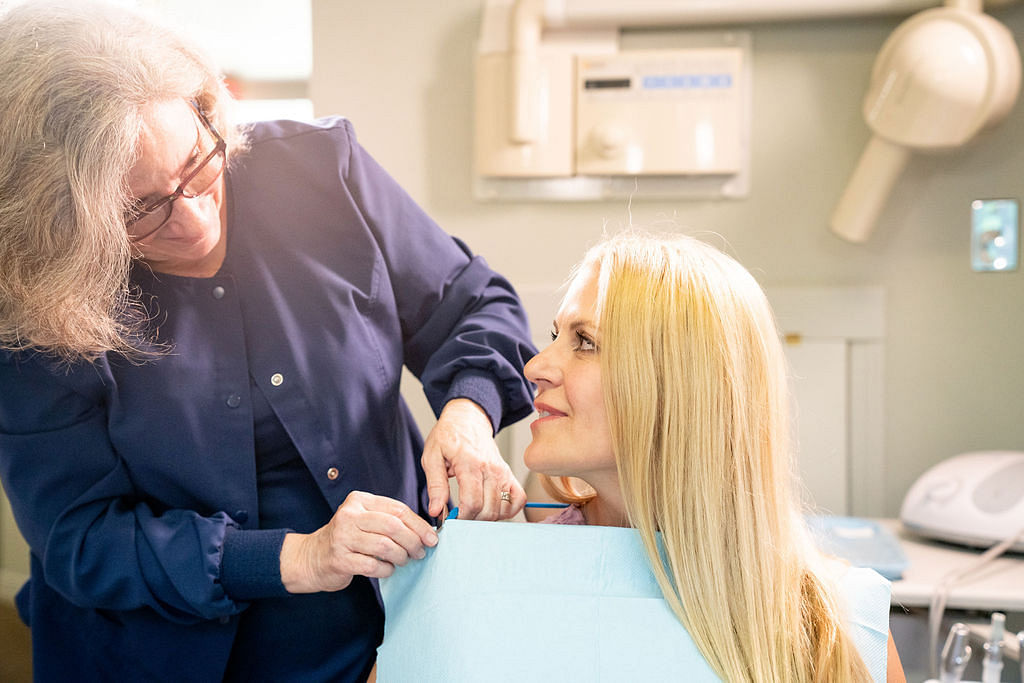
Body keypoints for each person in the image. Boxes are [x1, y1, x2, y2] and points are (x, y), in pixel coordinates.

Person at [0, 1, 535, 680]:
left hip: (385, 624)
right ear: (61, 227)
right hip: (159, 653)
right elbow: (82, 538)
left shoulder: (318, 169)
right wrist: (299, 557)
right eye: (140, 211)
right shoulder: (36, 296)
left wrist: (467, 414)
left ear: (205, 111)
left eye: (196, 166)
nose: (193, 223)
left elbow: (471, 303)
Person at [522, 231, 906, 681]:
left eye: (585, 341)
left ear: (679, 388)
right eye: (555, 335)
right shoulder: (510, 581)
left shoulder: (834, 627)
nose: (535, 367)